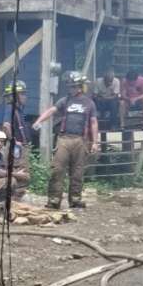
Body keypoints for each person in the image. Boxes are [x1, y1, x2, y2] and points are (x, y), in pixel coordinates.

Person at [33, 71, 99, 209]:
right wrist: (39, 121)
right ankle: (54, 200)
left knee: (77, 171)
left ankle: (75, 200)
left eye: (74, 86)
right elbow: (51, 110)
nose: (71, 89)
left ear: (81, 87)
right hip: (64, 139)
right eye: (70, 87)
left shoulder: (89, 103)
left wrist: (95, 142)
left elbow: (93, 123)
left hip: (81, 140)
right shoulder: (65, 100)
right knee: (57, 169)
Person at [1, 80, 32, 194]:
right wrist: (14, 141)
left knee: (22, 173)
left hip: (20, 147)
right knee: (19, 172)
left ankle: (18, 197)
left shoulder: (18, 110)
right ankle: (16, 199)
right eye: (22, 94)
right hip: (16, 147)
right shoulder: (11, 108)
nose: (25, 97)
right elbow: (6, 125)